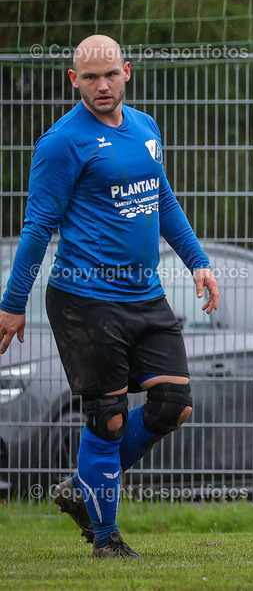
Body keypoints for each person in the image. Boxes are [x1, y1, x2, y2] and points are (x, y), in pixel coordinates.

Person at [0, 35, 219, 558]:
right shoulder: (60, 143)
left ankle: (82, 486)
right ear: (73, 81)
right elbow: (36, 229)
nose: (102, 86)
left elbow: (162, 198)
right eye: (90, 78)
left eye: (110, 75)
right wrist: (12, 303)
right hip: (84, 300)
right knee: (110, 418)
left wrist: (198, 261)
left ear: (127, 72)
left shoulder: (145, 128)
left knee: (173, 405)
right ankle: (106, 539)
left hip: (145, 295)